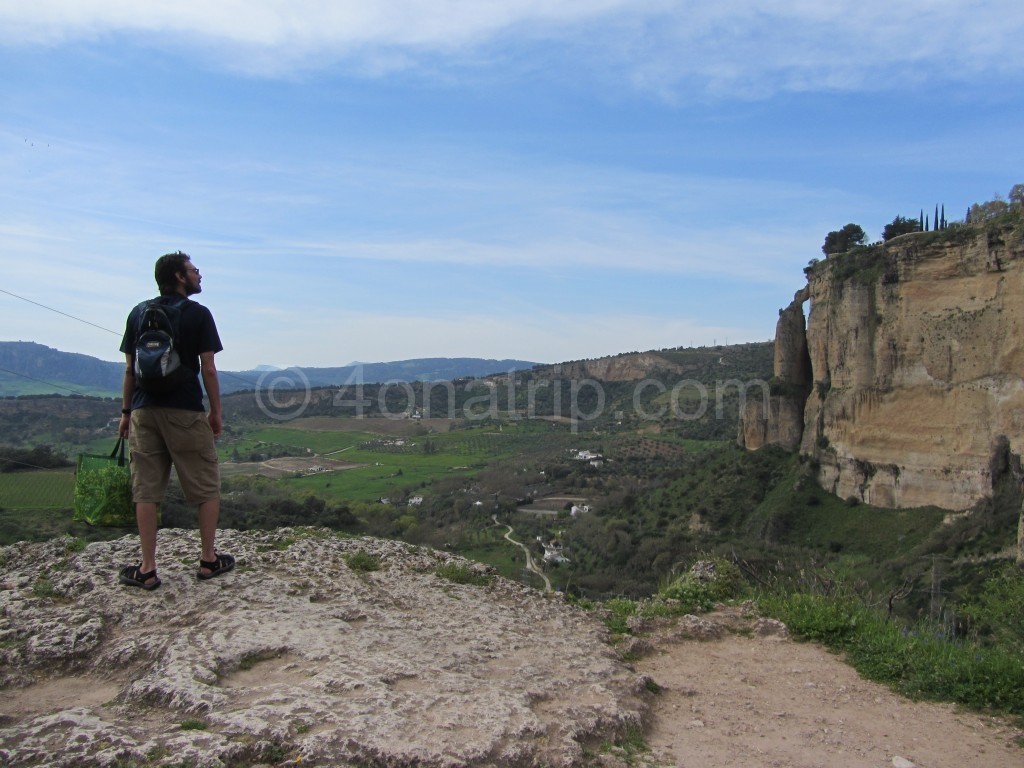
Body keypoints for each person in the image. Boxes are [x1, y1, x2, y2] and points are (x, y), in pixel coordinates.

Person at [117, 251, 233, 590]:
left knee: (146, 491)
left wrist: (126, 414)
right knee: (205, 485)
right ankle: (208, 561)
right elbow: (208, 368)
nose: (199, 275)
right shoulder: (198, 314)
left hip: (143, 411)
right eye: (194, 271)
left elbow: (129, 370)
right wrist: (215, 411)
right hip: (184, 410)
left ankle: (148, 569)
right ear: (180, 277)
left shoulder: (139, 313)